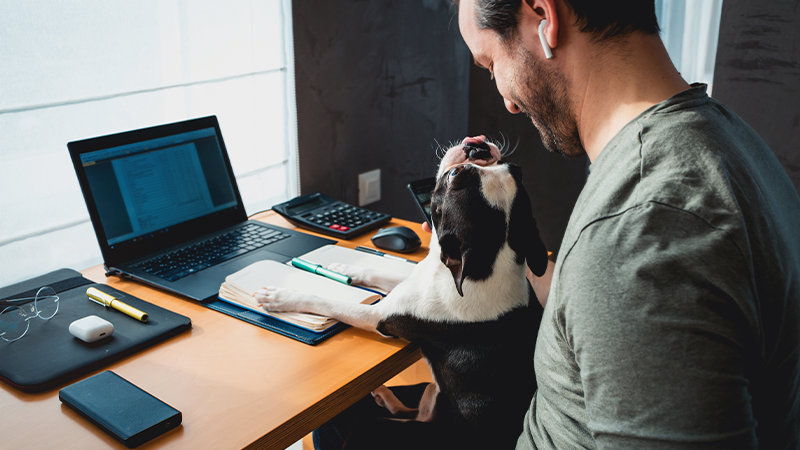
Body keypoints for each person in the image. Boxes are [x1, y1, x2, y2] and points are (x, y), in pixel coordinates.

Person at [452, 0, 800, 448]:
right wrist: (512, 243)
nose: (506, 99)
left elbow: (627, 269)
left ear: (544, 16)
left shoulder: (641, 227)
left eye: (491, 63)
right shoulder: (724, 139)